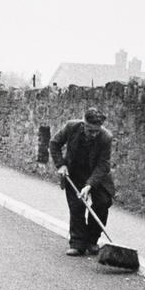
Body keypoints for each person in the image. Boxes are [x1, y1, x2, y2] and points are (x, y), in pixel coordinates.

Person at [49, 107, 116, 256]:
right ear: (83, 124)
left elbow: (103, 164)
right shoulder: (71, 127)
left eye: (97, 131)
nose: (94, 134)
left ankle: (92, 241)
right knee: (77, 206)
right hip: (75, 172)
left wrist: (89, 185)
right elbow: (54, 143)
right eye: (90, 130)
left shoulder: (106, 137)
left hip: (97, 175)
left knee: (103, 203)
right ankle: (78, 243)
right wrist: (61, 165)